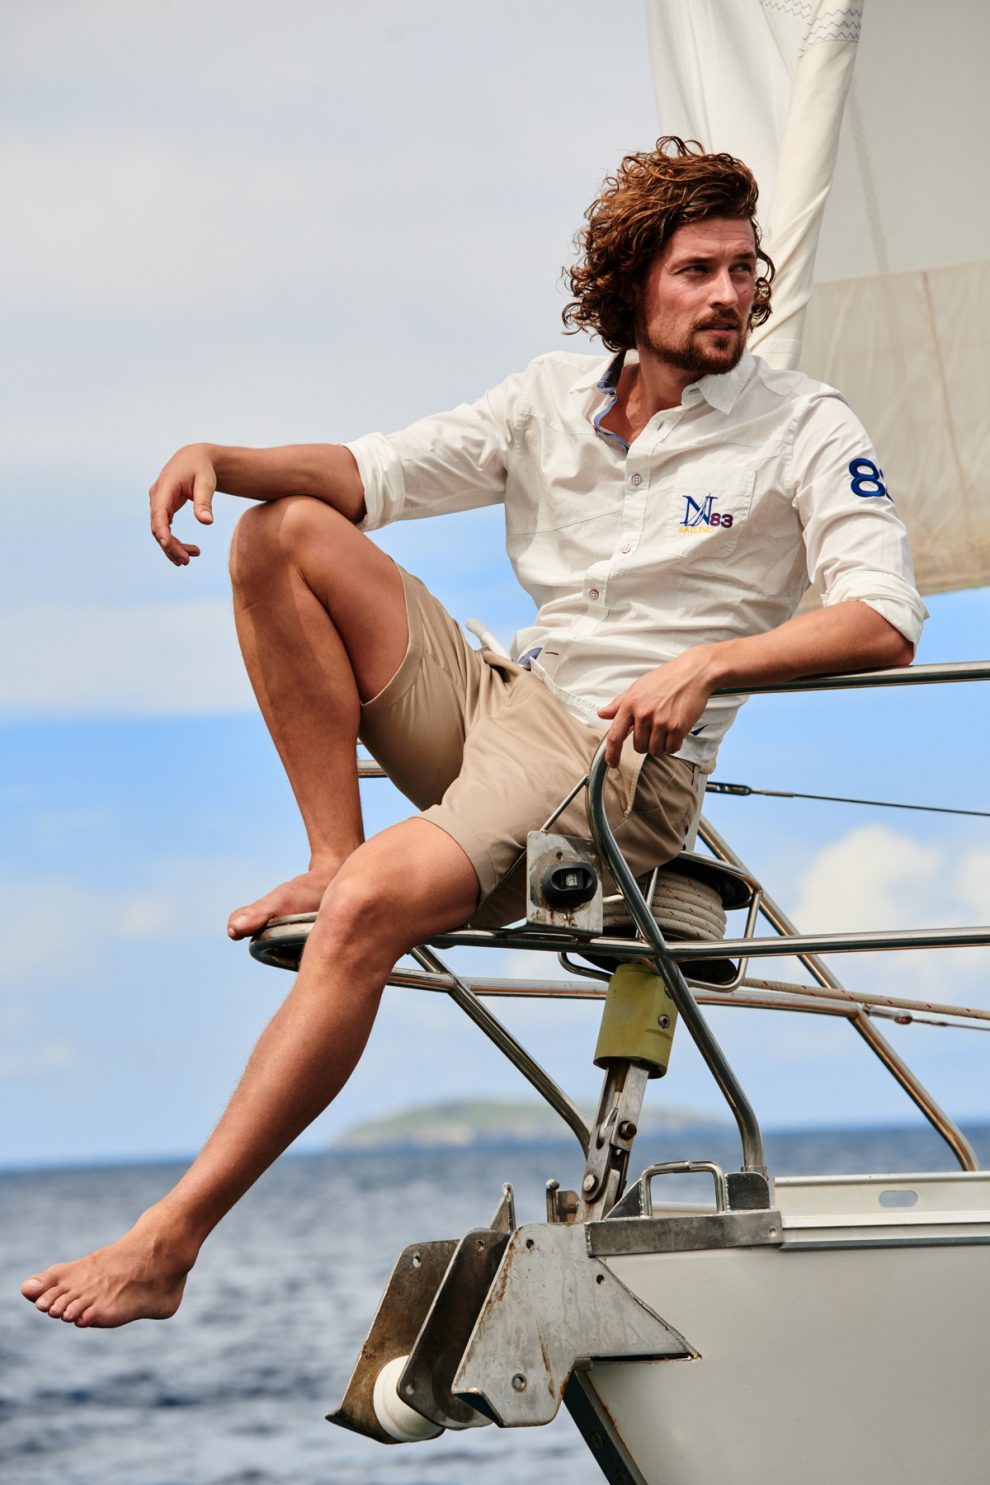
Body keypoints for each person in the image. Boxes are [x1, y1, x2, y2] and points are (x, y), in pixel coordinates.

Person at [21, 137, 925, 1327]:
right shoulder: (549, 399)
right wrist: (218, 458)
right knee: (280, 530)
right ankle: (331, 850)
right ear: (631, 286)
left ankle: (167, 1243)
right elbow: (372, 471)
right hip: (504, 697)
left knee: (369, 916)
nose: (730, 294)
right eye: (698, 271)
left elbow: (884, 619)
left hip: (615, 762)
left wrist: (711, 662)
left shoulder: (803, 422)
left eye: (744, 271)